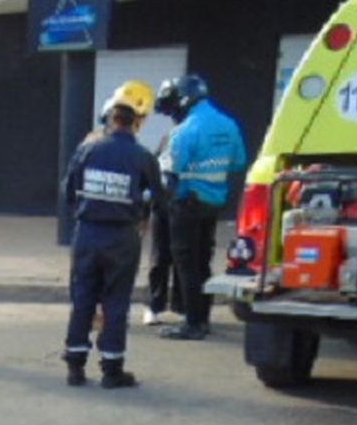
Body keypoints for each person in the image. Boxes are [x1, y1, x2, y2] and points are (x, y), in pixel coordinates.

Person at [60, 81, 162, 389]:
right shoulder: (143, 157)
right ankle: (112, 369)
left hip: (87, 233)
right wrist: (139, 211)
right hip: (122, 238)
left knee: (82, 299)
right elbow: (158, 197)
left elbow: (68, 192)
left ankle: (75, 367)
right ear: (138, 120)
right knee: (116, 302)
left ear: (111, 115)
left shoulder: (87, 148)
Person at [156, 74, 246, 341]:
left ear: (184, 101)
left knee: (185, 263)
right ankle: (203, 317)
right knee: (203, 261)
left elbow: (171, 171)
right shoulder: (229, 124)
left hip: (187, 203)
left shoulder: (184, 131)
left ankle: (193, 323)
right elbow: (237, 162)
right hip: (214, 203)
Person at [141, 79, 187, 327]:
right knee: (162, 257)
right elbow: (154, 173)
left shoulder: (182, 134)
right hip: (167, 206)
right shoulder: (169, 137)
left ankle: (178, 305)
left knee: (178, 257)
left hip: (183, 205)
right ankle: (156, 305)